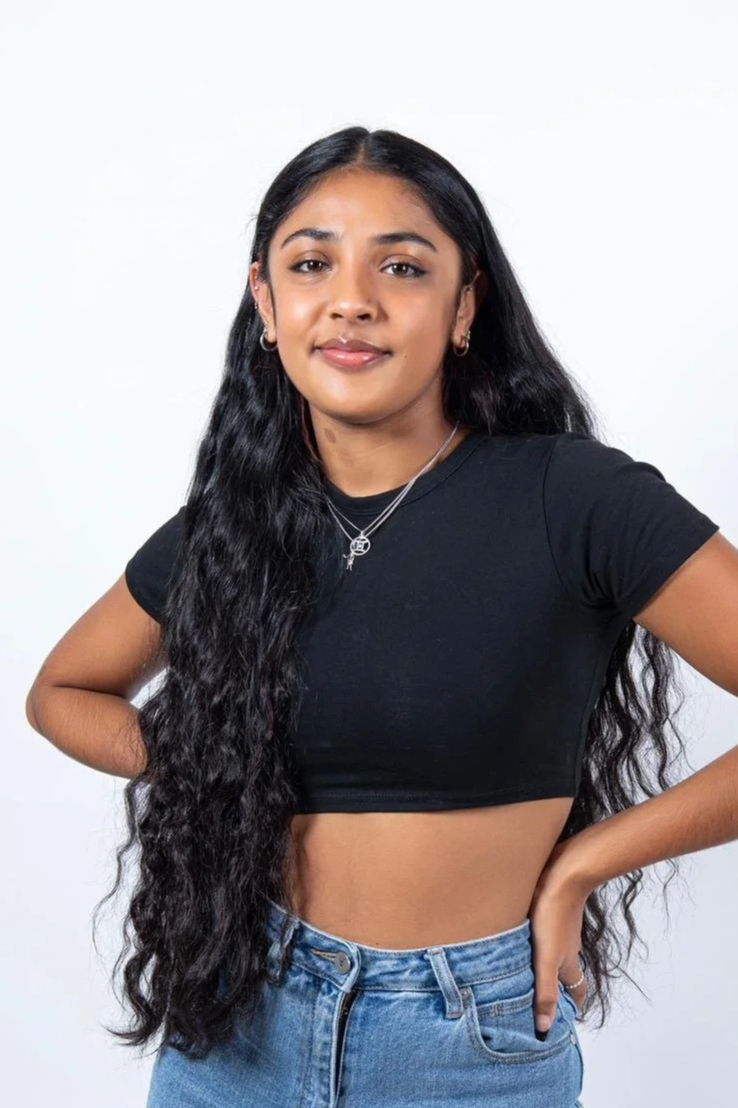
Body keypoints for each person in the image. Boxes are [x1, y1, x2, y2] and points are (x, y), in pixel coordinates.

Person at [25, 126, 738, 1108]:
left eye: (401, 265)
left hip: (466, 1041)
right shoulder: (231, 529)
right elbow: (62, 692)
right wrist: (209, 759)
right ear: (268, 307)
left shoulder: (575, 499)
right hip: (238, 1023)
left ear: (464, 307)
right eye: (312, 262)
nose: (351, 297)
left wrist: (585, 861)